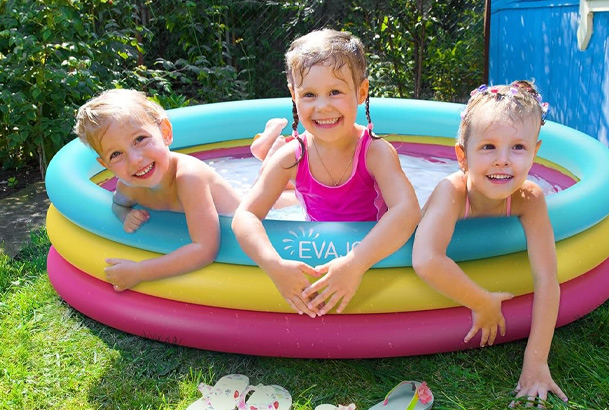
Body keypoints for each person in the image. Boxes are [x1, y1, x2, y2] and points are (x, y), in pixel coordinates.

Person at [232, 29, 420, 318]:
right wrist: (274, 265)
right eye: (309, 94)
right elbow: (244, 216)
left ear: (361, 92)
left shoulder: (375, 153)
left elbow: (407, 212)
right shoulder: (291, 157)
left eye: (335, 92)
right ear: (294, 96)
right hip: (317, 241)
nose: (322, 107)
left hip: (370, 249)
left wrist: (356, 263)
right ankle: (266, 151)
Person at [412, 81, 568, 407]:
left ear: (535, 152)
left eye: (518, 148)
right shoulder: (450, 192)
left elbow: (546, 278)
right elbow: (426, 259)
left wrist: (536, 361)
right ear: (461, 155)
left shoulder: (530, 199)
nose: (503, 160)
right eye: (488, 147)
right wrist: (482, 301)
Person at [74, 89, 241, 291]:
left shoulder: (189, 177)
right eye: (116, 154)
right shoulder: (128, 186)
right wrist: (124, 214)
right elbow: (118, 203)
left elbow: (205, 250)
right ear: (106, 165)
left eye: (139, 139)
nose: (135, 160)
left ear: (165, 133)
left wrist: (139, 271)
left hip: (254, 214)